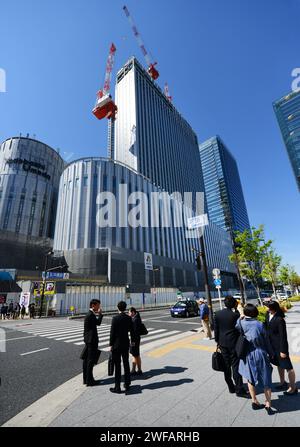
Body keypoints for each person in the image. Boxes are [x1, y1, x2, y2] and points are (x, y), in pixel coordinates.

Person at [236, 304, 274, 414]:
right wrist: (271, 353)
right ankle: (268, 403)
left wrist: (241, 314)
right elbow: (266, 341)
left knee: (250, 378)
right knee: (266, 378)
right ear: (255, 313)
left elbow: (237, 325)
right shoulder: (259, 324)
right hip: (260, 353)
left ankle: (254, 401)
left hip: (247, 354)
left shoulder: (241, 323)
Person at [214, 295, 248, 397]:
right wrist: (238, 309)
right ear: (234, 304)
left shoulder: (218, 314)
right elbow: (240, 329)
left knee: (226, 366)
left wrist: (218, 341)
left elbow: (216, 330)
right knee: (235, 366)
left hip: (222, 343)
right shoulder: (235, 315)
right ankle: (239, 389)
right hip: (234, 343)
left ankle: (231, 387)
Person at [266, 300, 298, 395]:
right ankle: (282, 382)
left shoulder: (280, 320)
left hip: (280, 347)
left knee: (288, 367)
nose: (266, 308)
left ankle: (293, 388)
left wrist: (283, 351)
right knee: (279, 364)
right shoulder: (267, 315)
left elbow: (283, 336)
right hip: (272, 346)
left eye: (268, 306)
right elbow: (265, 326)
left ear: (273, 309)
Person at [109, 301, 135, 394]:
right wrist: (132, 341)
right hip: (125, 343)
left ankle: (117, 387)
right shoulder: (128, 318)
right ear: (125, 308)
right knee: (126, 364)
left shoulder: (115, 318)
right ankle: (127, 384)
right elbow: (132, 331)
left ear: (118, 308)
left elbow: (112, 333)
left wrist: (110, 344)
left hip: (116, 344)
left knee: (117, 365)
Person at [82, 299, 103, 386]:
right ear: (93, 305)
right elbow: (98, 323)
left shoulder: (89, 314)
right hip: (91, 340)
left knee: (86, 360)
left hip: (88, 339)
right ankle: (90, 381)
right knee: (90, 360)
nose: (99, 307)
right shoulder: (90, 315)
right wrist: (100, 314)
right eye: (98, 305)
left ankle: (86, 379)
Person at [128, 307, 143, 375]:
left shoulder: (135, 320)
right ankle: (137, 369)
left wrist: (133, 342)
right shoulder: (136, 318)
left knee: (135, 355)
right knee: (136, 355)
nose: (128, 314)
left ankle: (135, 370)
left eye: (129, 312)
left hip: (135, 340)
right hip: (136, 339)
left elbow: (134, 332)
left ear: (133, 312)